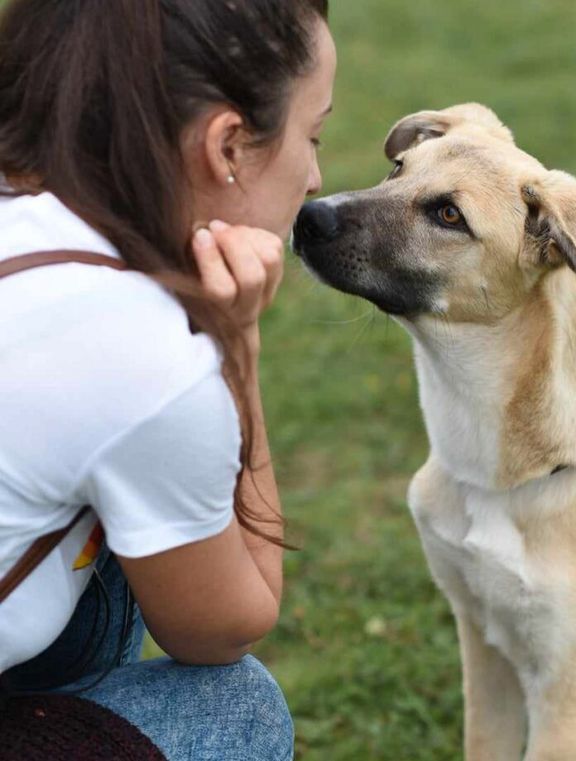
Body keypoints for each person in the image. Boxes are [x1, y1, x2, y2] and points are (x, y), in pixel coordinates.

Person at [0, 0, 336, 758]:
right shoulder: (140, 355)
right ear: (226, 146)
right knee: (236, 709)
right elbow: (228, 625)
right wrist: (233, 350)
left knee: (128, 518)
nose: (315, 177)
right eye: (310, 135)